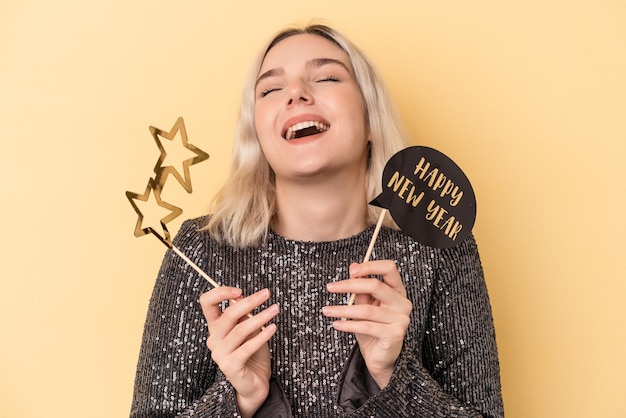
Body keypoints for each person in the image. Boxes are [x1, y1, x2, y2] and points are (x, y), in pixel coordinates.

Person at [130, 23, 504, 418]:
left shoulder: (435, 244)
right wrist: (240, 399)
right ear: (256, 135)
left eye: (326, 77)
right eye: (271, 89)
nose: (296, 94)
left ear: (370, 119)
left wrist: (394, 376)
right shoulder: (199, 250)